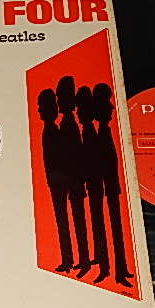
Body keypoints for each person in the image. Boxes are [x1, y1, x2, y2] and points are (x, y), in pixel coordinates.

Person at [93, 83, 133, 288]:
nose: (111, 107)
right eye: (106, 103)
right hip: (97, 187)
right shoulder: (92, 133)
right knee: (100, 226)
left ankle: (121, 270)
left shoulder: (106, 131)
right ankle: (105, 269)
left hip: (112, 186)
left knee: (117, 228)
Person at [54, 76, 91, 273]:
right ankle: (72, 260)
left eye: (62, 98)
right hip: (67, 180)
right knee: (71, 220)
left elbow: (77, 154)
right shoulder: (66, 123)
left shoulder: (69, 124)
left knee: (77, 220)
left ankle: (82, 261)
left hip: (72, 180)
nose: (59, 101)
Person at [37, 88, 75, 272]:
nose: (39, 110)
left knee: (63, 220)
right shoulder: (50, 130)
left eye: (42, 107)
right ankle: (68, 259)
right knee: (62, 220)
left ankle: (68, 260)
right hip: (56, 181)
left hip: (60, 182)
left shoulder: (54, 131)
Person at [76, 86, 110, 282]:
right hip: (88, 183)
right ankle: (97, 260)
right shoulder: (87, 131)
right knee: (94, 222)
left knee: (99, 222)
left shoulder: (94, 132)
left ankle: (104, 266)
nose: (79, 113)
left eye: (82, 109)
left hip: (97, 184)